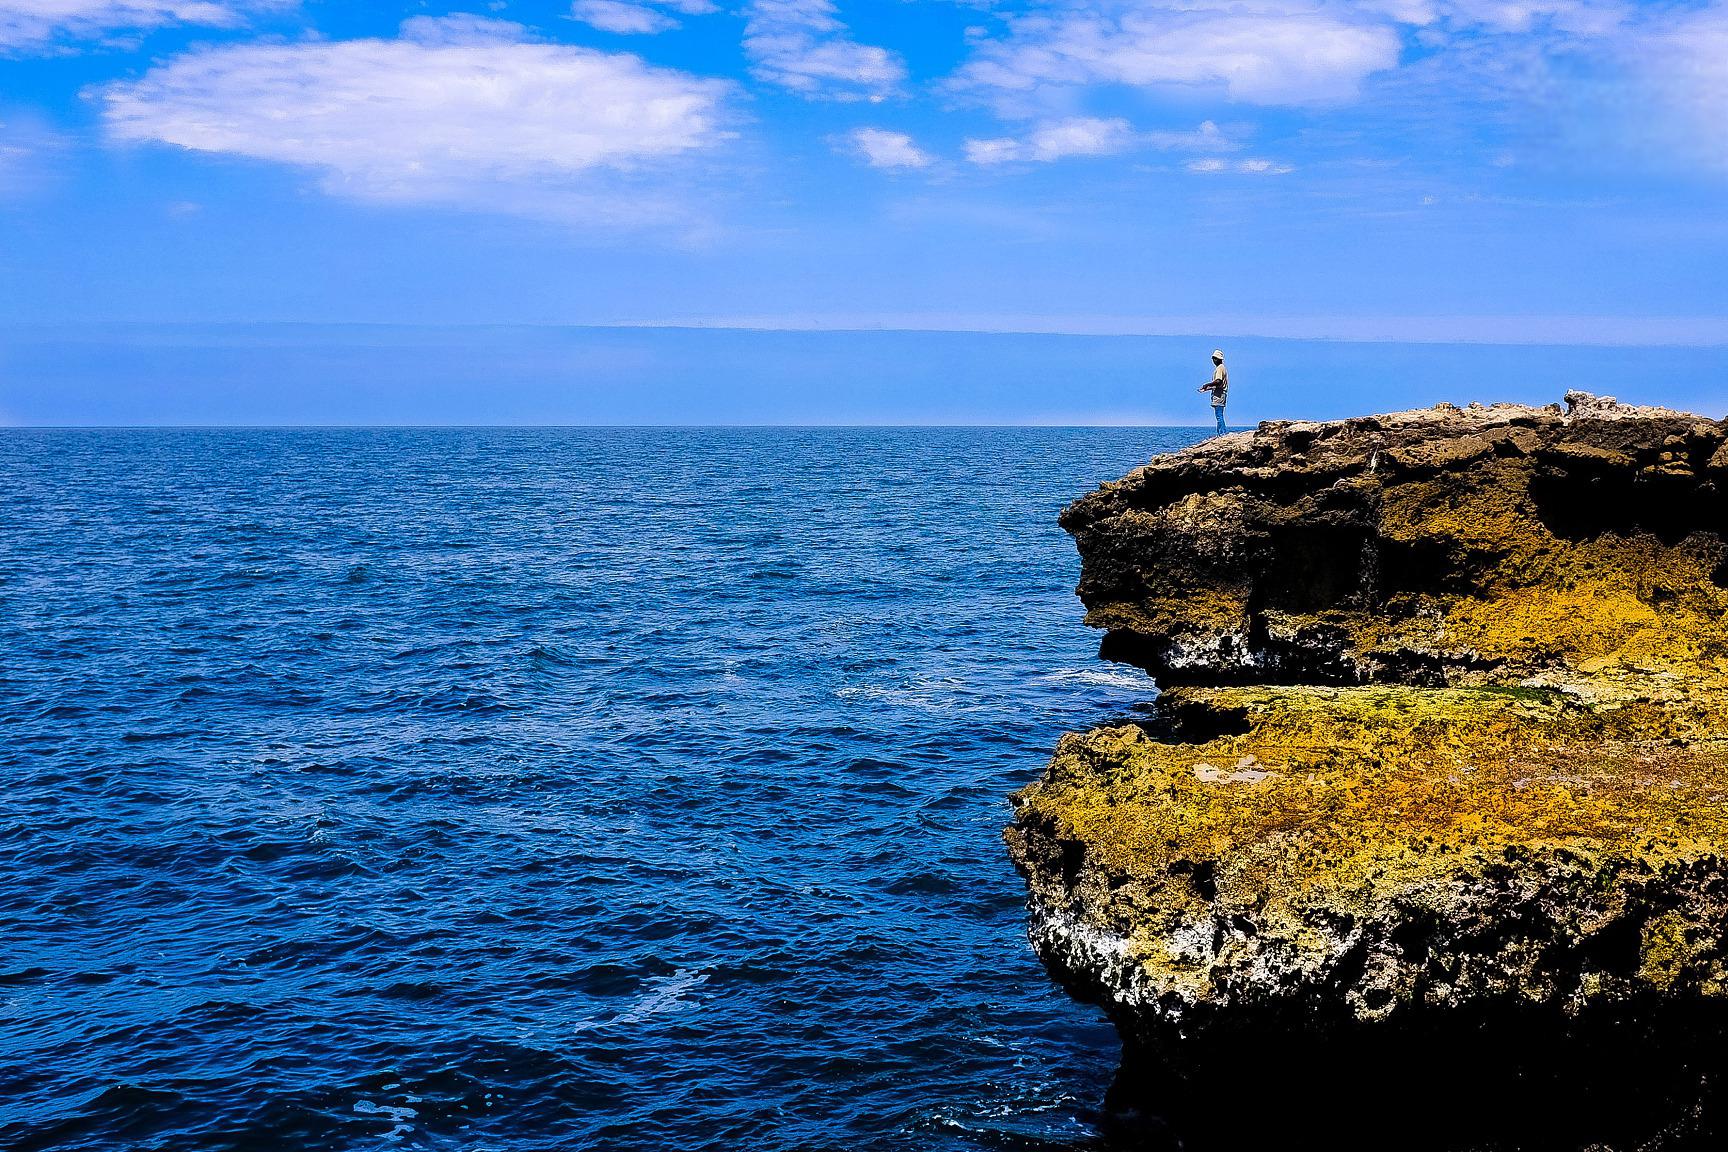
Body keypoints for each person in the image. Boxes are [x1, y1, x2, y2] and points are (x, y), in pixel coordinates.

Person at [1198, 349, 1228, 434]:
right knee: (1219, 415)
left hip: (1219, 394)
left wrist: (1207, 384)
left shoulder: (1220, 368)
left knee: (1219, 415)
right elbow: (1218, 384)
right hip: (1220, 393)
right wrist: (1207, 388)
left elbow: (1218, 381)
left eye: (1215, 358)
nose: (1213, 360)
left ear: (1218, 359)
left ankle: (1222, 433)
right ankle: (1220, 433)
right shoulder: (1221, 368)